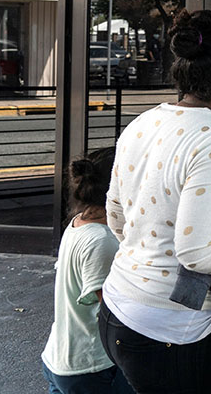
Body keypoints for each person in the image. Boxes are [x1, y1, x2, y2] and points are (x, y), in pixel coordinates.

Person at [98, 9, 211, 393]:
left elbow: (117, 215)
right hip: (170, 329)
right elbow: (202, 252)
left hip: (118, 308)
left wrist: (148, 252)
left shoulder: (145, 122)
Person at [41, 149, 135, 394]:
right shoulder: (101, 240)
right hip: (91, 367)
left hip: (61, 357)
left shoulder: (79, 223)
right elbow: (113, 313)